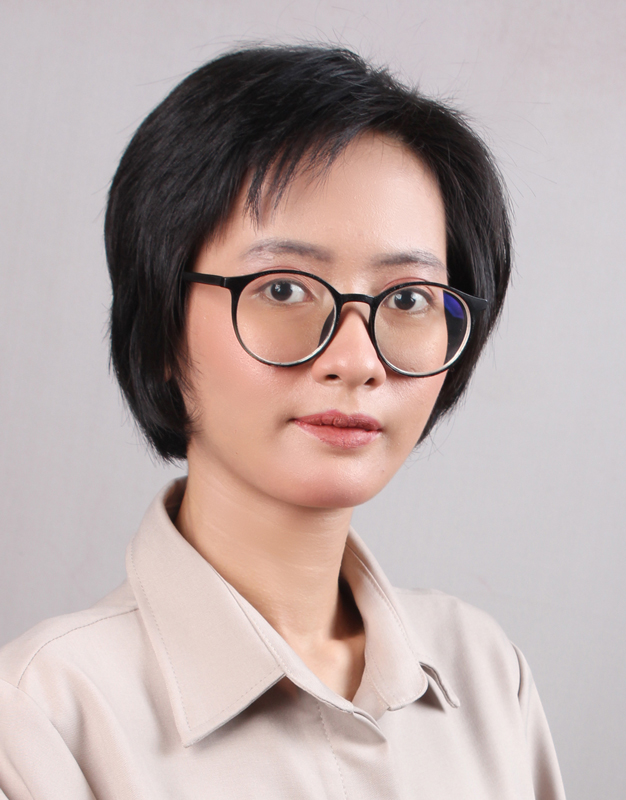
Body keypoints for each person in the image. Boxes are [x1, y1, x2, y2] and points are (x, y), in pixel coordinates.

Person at [0, 45, 566, 799]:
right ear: (161, 327)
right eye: (284, 289)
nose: (356, 360)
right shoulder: (44, 717)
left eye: (407, 299)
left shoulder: (486, 674)